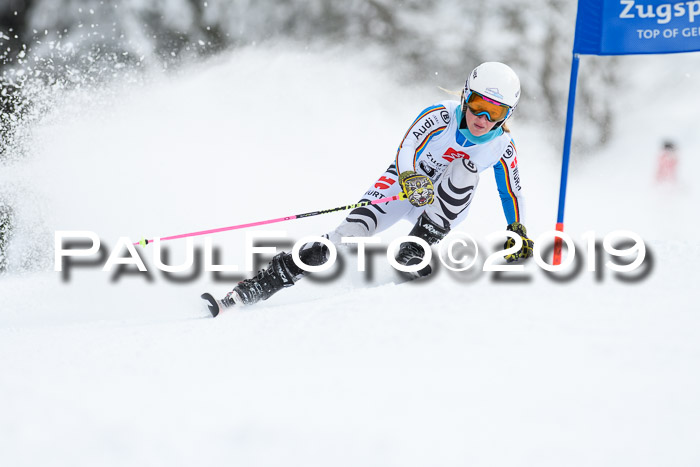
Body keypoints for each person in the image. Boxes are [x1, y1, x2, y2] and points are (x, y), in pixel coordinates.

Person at [215, 62, 534, 308]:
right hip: (403, 183)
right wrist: (411, 179)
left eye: (495, 112)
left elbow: (510, 189)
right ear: (465, 95)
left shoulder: (501, 145)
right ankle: (260, 285)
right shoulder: (440, 116)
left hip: (441, 203)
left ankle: (415, 247)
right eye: (479, 104)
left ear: (507, 115)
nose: (483, 117)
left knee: (466, 169)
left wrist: (516, 228)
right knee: (345, 237)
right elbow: (407, 148)